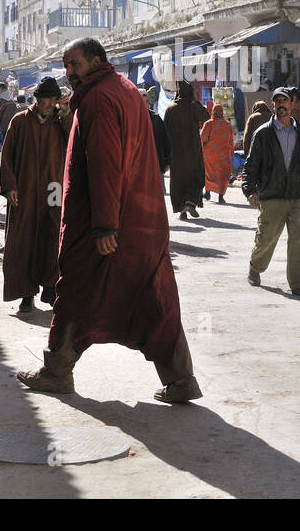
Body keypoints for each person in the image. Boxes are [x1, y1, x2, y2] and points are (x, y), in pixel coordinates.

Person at [15, 38, 202, 404]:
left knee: (73, 292)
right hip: (142, 222)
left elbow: (105, 164)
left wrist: (103, 226)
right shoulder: (126, 90)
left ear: (97, 60)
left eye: (75, 64)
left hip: (106, 223)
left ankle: (57, 371)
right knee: (154, 299)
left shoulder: (99, 98)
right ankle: (181, 379)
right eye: (66, 66)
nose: (69, 73)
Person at [0, 77, 70, 314]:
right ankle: (26, 294)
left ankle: (51, 289)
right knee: (23, 242)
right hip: (25, 191)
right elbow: (6, 156)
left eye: (55, 99)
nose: (52, 103)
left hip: (53, 190)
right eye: (49, 99)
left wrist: (67, 112)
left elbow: (74, 139)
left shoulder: (60, 122)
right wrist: (9, 187)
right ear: (39, 100)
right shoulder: (19, 122)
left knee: (52, 240)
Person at [242, 87, 300, 297]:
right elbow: (251, 165)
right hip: (272, 196)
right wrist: (249, 190)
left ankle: (298, 283)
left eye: (285, 101)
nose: (281, 104)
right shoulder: (263, 133)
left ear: (292, 104)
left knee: (299, 240)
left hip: (297, 196)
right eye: (277, 101)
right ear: (273, 105)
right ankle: (255, 267)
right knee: (266, 238)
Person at [164, 80, 209, 220]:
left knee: (179, 181)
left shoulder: (170, 109)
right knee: (196, 177)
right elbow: (206, 117)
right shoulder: (193, 107)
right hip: (193, 153)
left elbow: (164, 133)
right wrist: (196, 101)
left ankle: (182, 209)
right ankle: (190, 202)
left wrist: (166, 156)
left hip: (176, 154)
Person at [200, 104, 235, 204]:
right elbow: (231, 140)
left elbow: (203, 138)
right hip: (224, 156)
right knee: (222, 175)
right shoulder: (227, 124)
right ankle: (221, 196)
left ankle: (207, 192)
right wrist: (231, 152)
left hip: (210, 155)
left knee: (209, 173)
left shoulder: (208, 124)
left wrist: (201, 150)